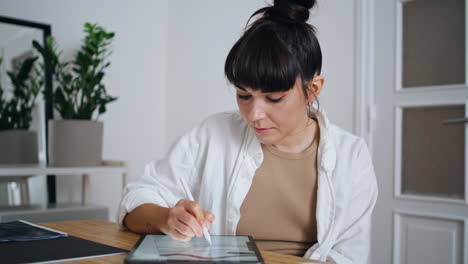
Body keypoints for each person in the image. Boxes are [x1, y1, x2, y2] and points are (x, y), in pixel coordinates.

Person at [118, 0, 378, 263]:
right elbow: (136, 201)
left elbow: (349, 256)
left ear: (313, 90)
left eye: (274, 98)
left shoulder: (352, 157)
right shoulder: (213, 133)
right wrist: (167, 219)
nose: (254, 115)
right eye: (244, 95)